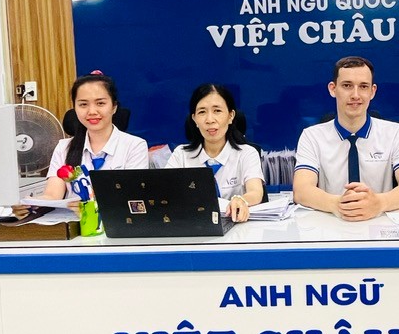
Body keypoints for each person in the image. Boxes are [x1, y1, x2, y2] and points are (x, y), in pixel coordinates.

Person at [293, 56, 399, 221]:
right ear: (333, 89)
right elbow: (301, 190)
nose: (355, 95)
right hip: (330, 223)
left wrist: (379, 203)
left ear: (372, 91)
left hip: (380, 224)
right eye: (347, 86)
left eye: (363, 86)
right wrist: (338, 205)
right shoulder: (311, 136)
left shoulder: (395, 133)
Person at [164, 83, 264, 222]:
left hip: (237, 226)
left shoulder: (246, 153)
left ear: (231, 116)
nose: (210, 120)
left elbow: (256, 192)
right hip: (193, 226)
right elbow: (165, 193)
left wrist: (241, 200)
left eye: (217, 111)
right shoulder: (181, 155)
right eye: (202, 112)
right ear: (194, 119)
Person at [41, 73, 148, 201]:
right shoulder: (64, 148)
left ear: (114, 107)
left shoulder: (134, 146)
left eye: (100, 103)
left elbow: (132, 197)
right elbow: (52, 195)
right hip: (71, 215)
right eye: (83, 104)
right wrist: (31, 205)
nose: (92, 111)